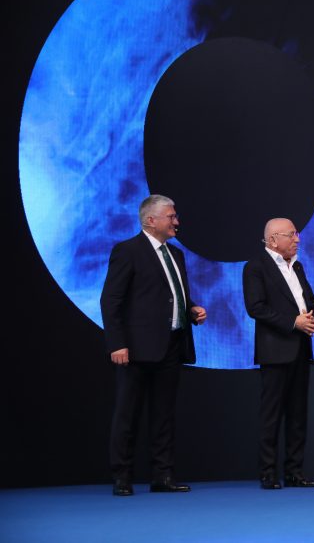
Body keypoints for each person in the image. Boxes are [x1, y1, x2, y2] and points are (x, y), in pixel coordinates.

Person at [101, 195, 207, 496]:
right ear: (151, 220)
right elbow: (111, 300)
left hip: (171, 346)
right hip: (135, 349)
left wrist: (191, 309)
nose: (177, 222)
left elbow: (172, 295)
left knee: (164, 415)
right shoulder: (127, 251)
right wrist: (117, 343)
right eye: (171, 216)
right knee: (128, 414)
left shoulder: (176, 255)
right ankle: (122, 477)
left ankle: (162, 476)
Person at [243, 218, 314, 490]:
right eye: (292, 234)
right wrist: (293, 322)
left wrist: (311, 317)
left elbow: (310, 300)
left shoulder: (297, 266)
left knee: (298, 415)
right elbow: (256, 307)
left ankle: (294, 472)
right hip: (275, 350)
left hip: (301, 348)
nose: (297, 239)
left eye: (297, 234)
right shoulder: (256, 267)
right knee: (272, 414)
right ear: (273, 240)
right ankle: (268, 472)